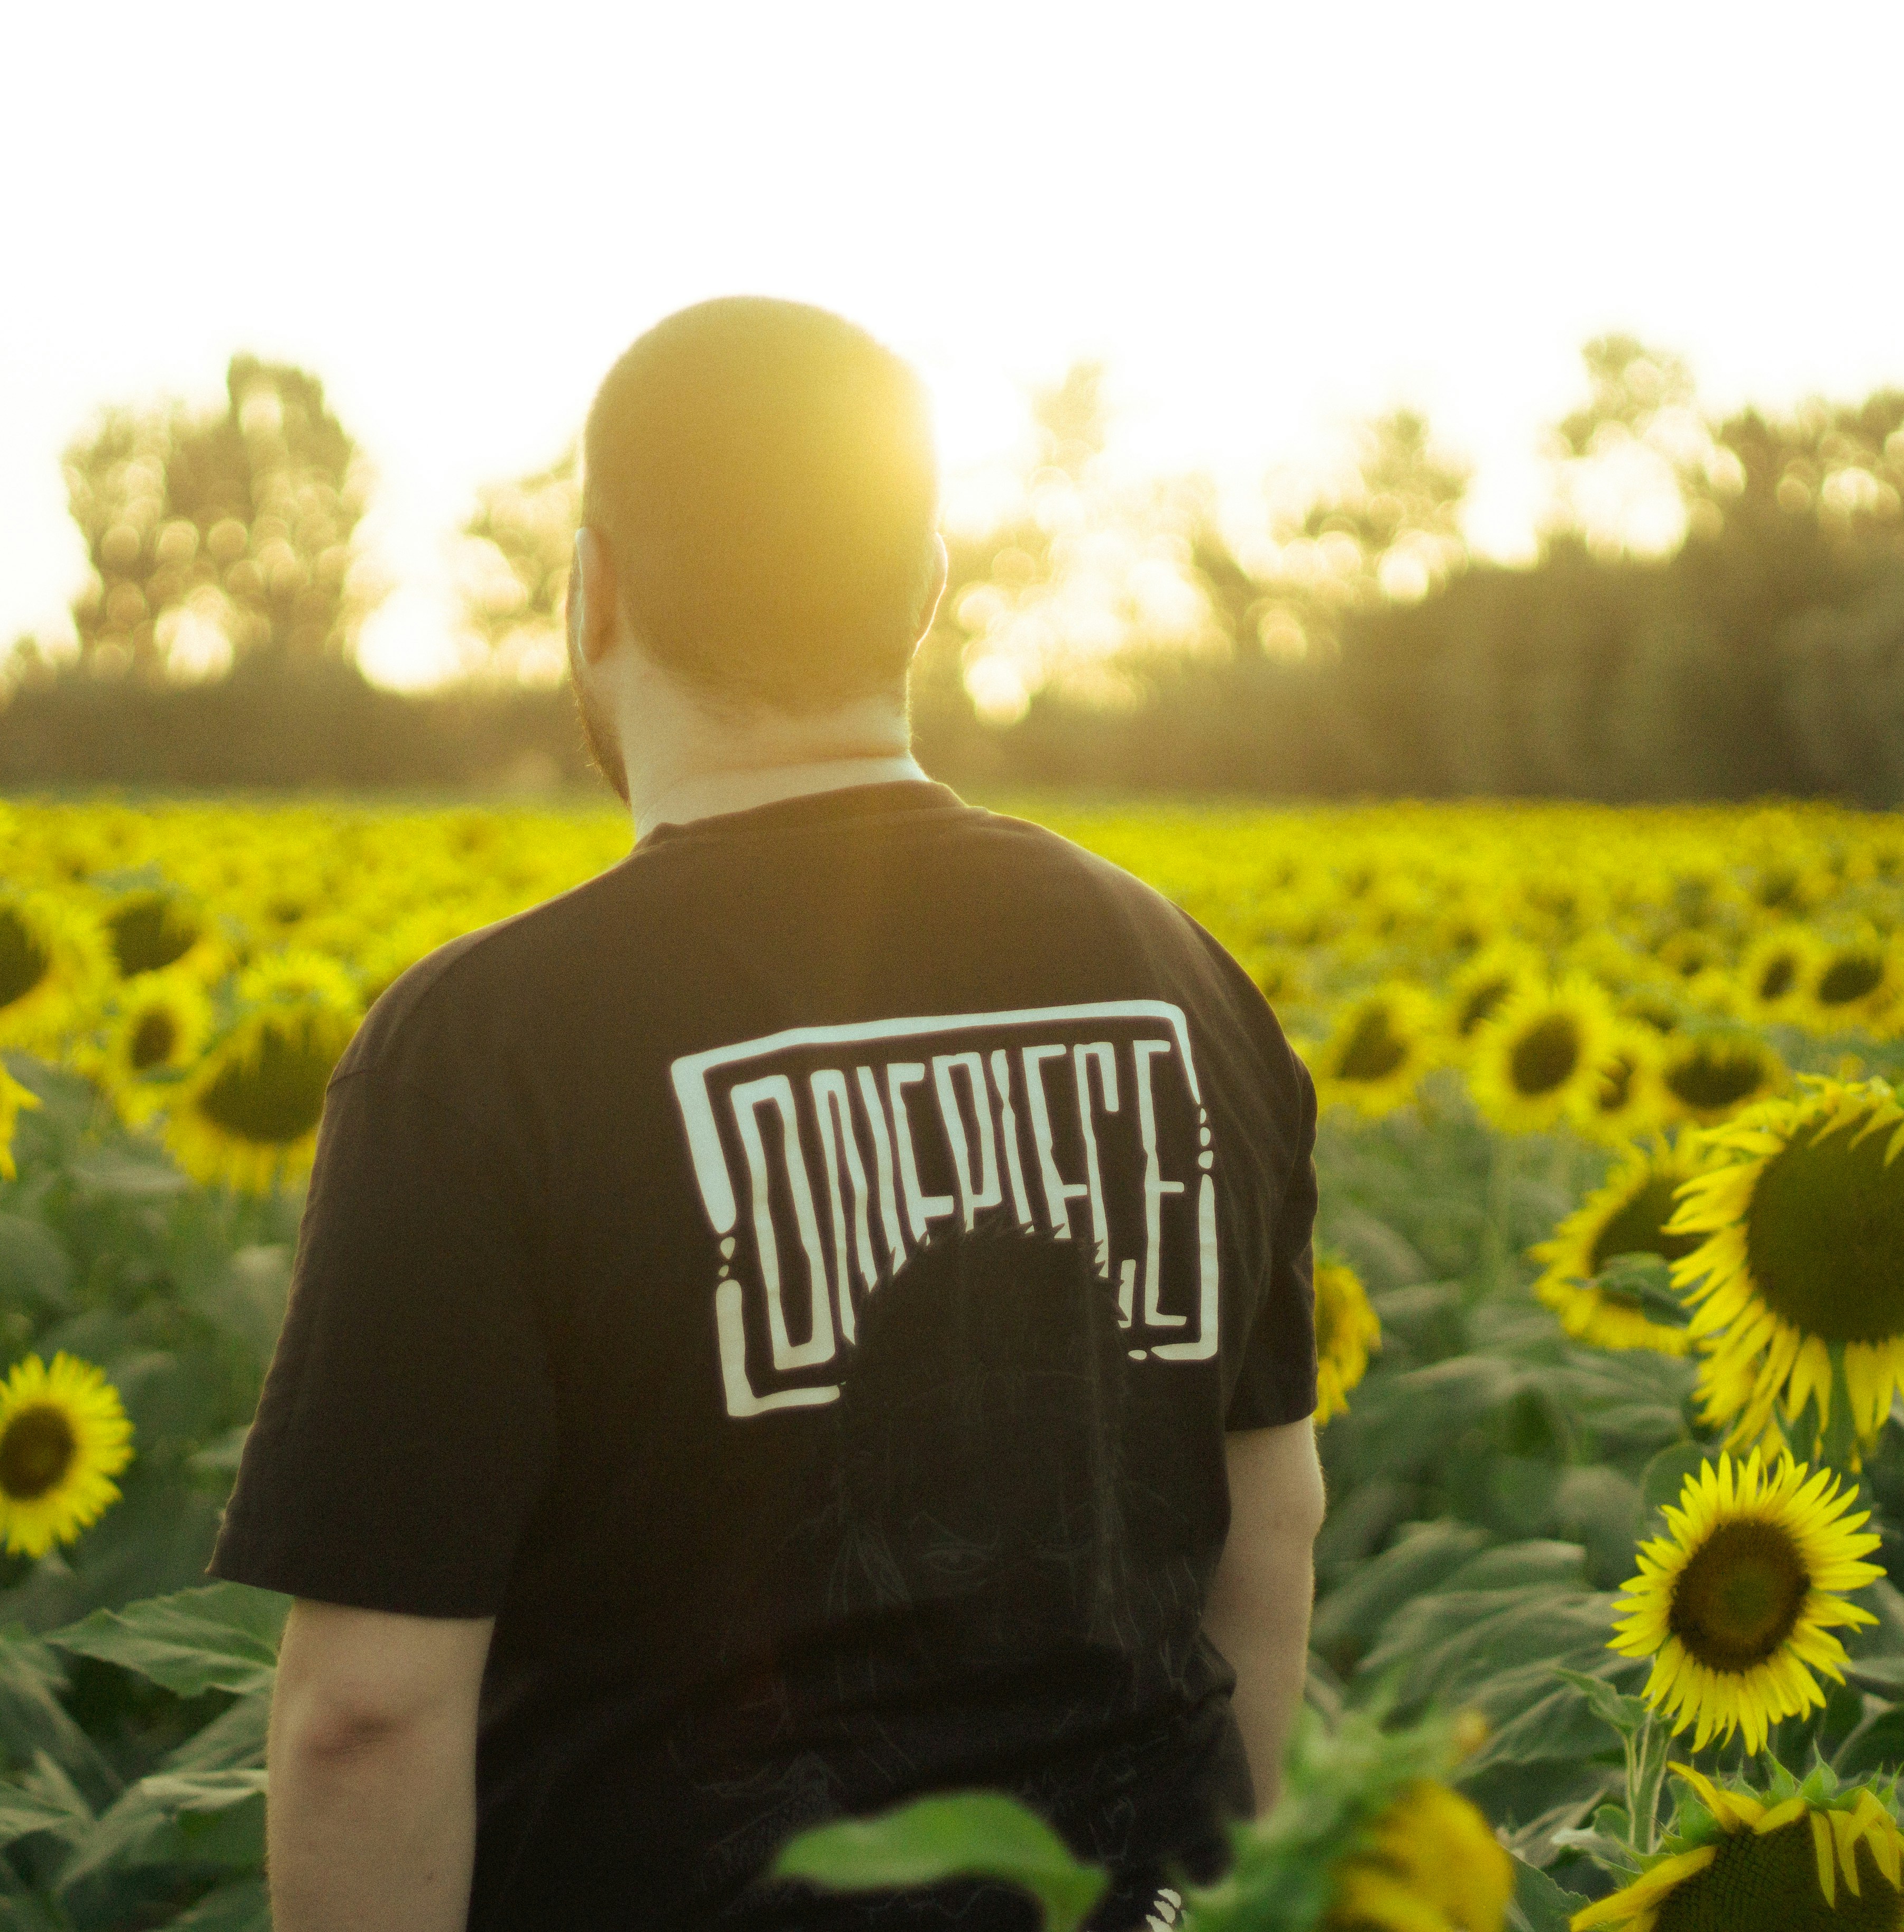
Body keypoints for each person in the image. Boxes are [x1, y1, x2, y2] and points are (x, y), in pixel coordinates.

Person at [211, 296, 1326, 1932]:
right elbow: (1270, 1522)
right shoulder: (1187, 984)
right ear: (926, 590)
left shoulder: (484, 1051)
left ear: (594, 595)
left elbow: (368, 1711)